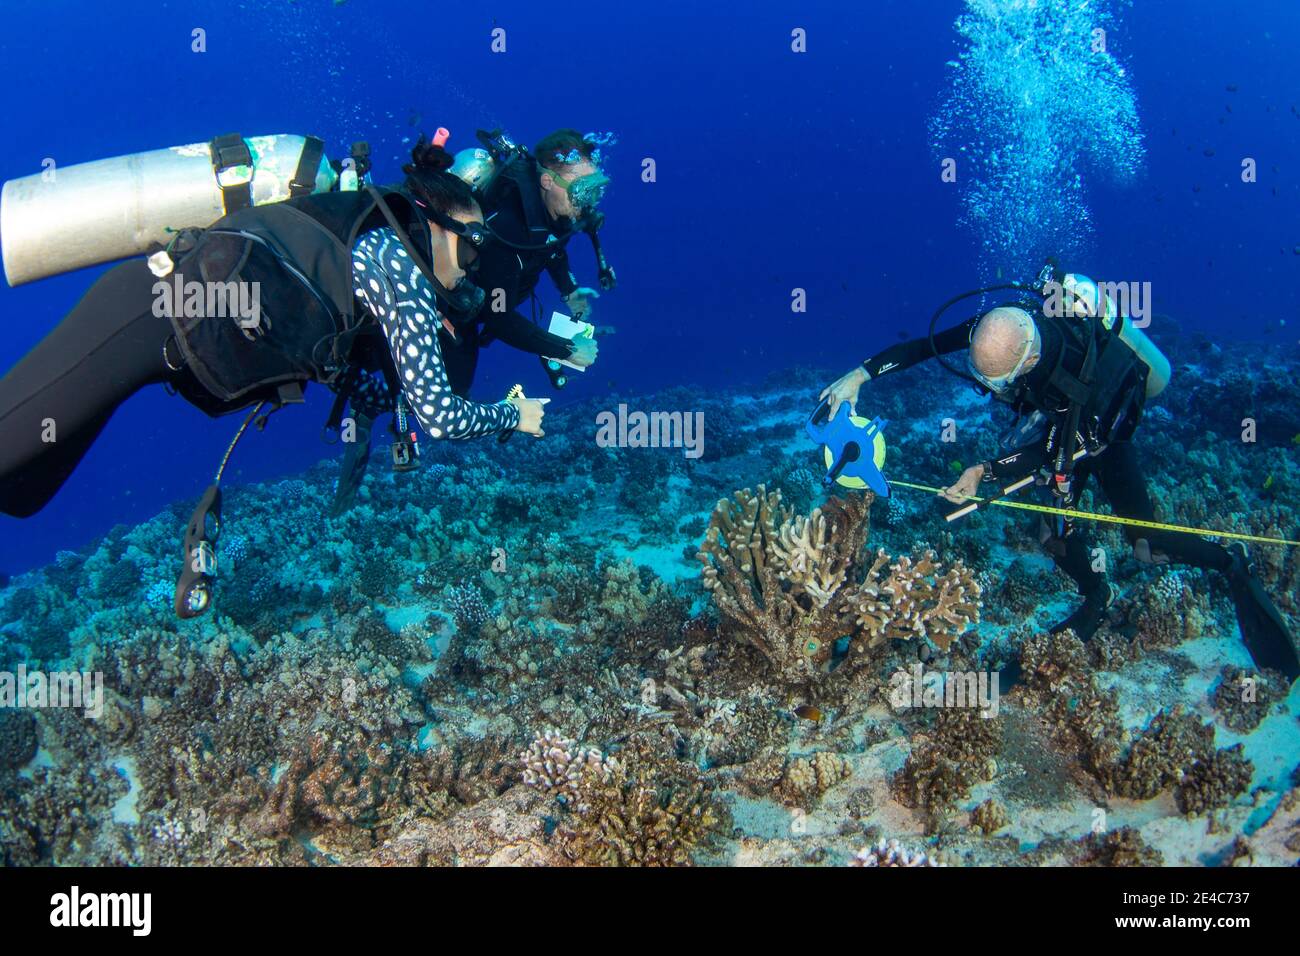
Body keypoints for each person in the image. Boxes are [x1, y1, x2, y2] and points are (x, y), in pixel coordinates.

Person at [0, 138, 549, 521]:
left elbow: (356, 380)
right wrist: (512, 414)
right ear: (435, 223)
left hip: (153, 340)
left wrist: (386, 403)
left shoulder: (369, 248)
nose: (472, 269)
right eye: (473, 247)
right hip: (144, 316)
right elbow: (442, 417)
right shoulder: (399, 262)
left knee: (24, 493)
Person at [819, 266, 1299, 680]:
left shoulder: (1069, 382)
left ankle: (1230, 563)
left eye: (997, 382)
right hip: (1058, 430)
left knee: (1146, 543)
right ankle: (1098, 591)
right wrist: (861, 374)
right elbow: (925, 347)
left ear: (1028, 360)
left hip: (1096, 431)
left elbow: (1048, 458)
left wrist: (983, 470)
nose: (989, 390)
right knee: (1051, 534)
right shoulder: (1000, 328)